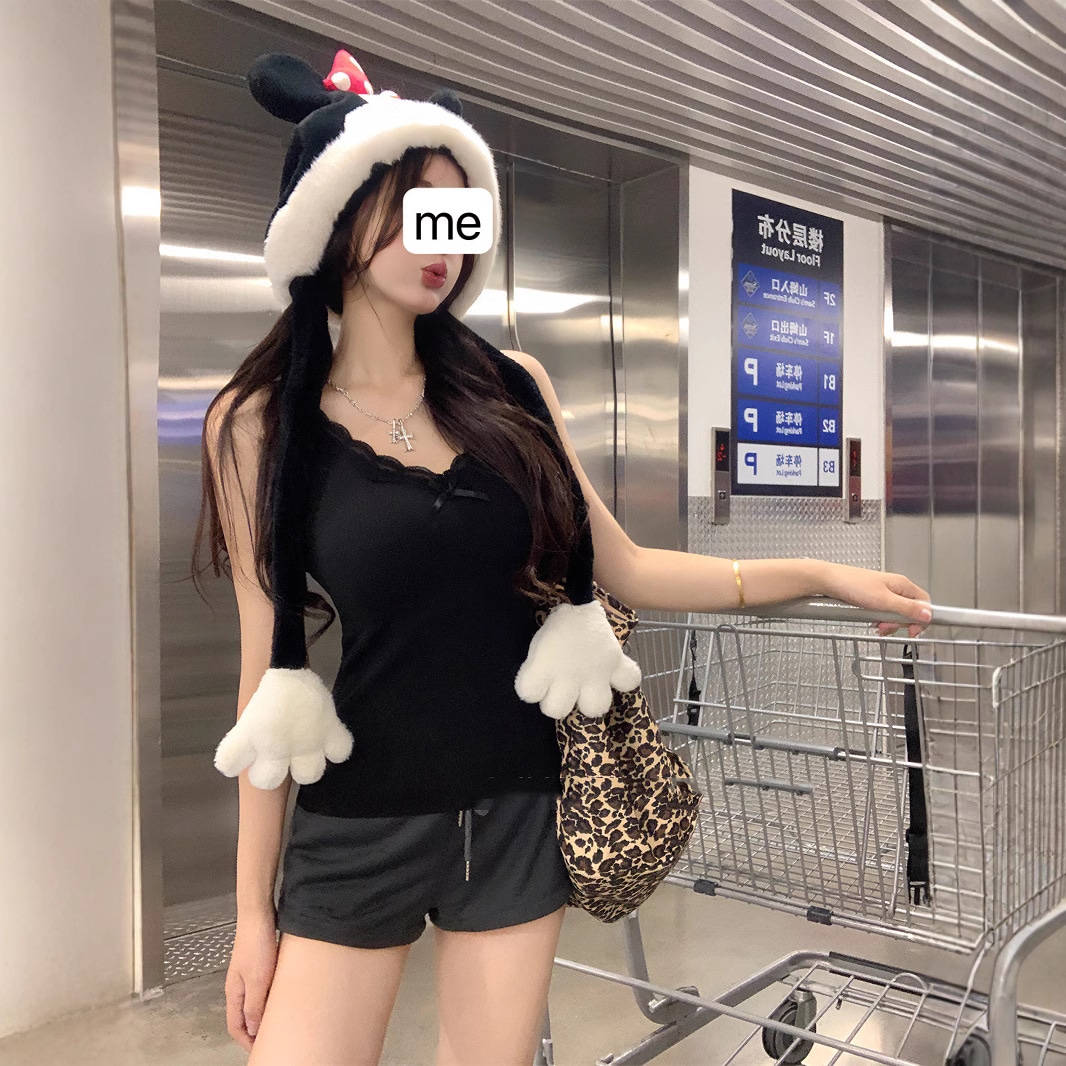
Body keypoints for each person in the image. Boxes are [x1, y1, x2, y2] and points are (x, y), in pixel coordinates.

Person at [192, 49, 932, 1066]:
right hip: (358, 818)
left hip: (517, 811)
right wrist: (251, 913)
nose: (440, 240)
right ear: (336, 214)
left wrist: (820, 572)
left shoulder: (512, 386)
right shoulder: (256, 423)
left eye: (457, 213)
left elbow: (626, 567)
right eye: (414, 209)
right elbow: (261, 686)